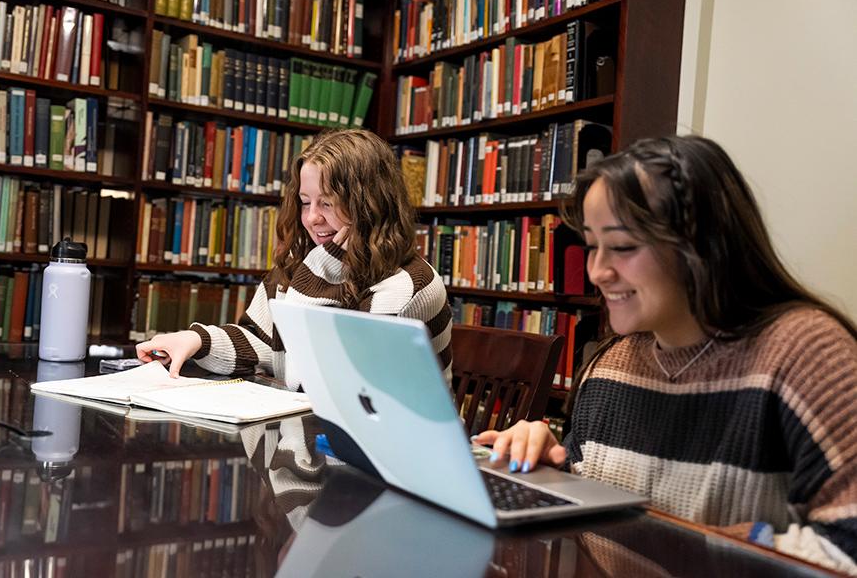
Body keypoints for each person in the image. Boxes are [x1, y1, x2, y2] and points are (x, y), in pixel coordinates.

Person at [474, 135, 857, 572]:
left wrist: (726, 547)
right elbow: (603, 525)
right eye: (592, 245)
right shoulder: (610, 367)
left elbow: (849, 544)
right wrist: (551, 469)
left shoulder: (805, 353)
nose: (597, 272)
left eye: (622, 247)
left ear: (702, 246)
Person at [135, 129, 452, 389]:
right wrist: (196, 340)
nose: (312, 218)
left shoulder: (410, 286)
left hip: (393, 456)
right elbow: (266, 344)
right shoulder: (304, 265)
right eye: (304, 202)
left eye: (327, 203)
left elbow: (317, 383)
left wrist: (321, 269)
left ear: (369, 205)